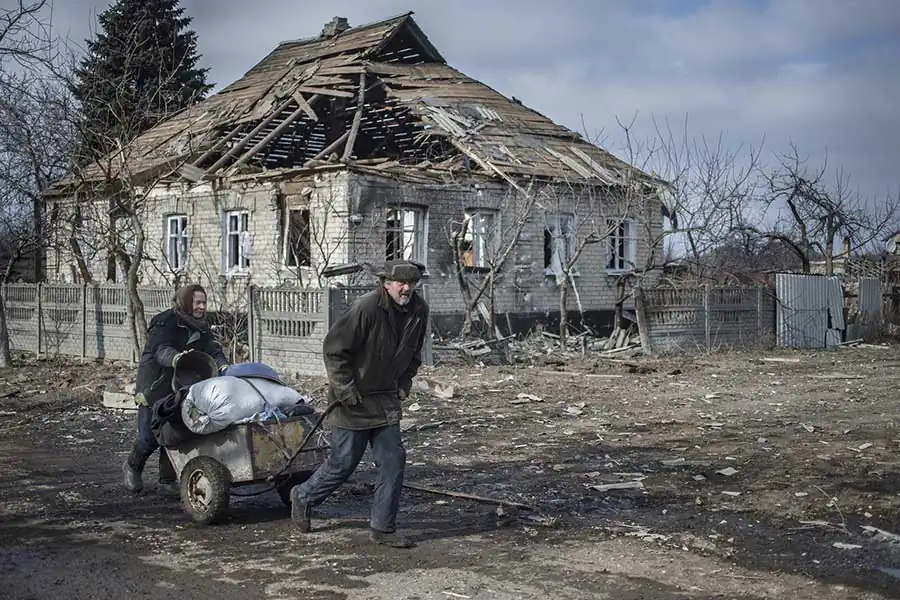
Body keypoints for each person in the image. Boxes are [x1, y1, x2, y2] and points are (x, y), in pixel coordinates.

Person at [290, 259, 429, 548]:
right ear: (386, 284)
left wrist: (404, 383)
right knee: (344, 463)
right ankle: (302, 496)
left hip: (385, 398)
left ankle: (383, 528)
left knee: (393, 460)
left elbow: (414, 352)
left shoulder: (419, 310)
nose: (407, 288)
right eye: (401, 283)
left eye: (412, 283)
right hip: (353, 398)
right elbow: (334, 350)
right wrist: (345, 389)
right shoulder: (367, 308)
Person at [122, 284, 228, 496]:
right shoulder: (165, 321)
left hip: (182, 387)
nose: (202, 307)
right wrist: (177, 358)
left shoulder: (202, 327)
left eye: (204, 303)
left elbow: (213, 350)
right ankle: (132, 465)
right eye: (197, 302)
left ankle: (167, 480)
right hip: (155, 386)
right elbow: (160, 350)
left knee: (174, 434)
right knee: (149, 436)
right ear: (186, 302)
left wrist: (224, 366)